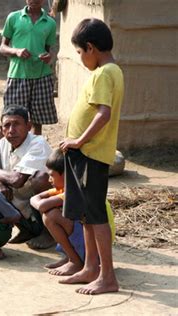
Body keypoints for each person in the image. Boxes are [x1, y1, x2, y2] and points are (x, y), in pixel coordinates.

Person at [59, 18, 123, 295]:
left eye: (79, 53)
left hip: (91, 154)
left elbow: (103, 114)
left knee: (96, 216)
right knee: (86, 214)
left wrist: (79, 140)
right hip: (84, 154)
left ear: (90, 47)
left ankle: (107, 276)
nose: (81, 58)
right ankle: (90, 267)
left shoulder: (103, 74)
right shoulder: (112, 70)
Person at [0, 105, 55, 249]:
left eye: (17, 124)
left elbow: (17, 180)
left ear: (29, 126)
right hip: (22, 202)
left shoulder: (38, 143)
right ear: (1, 129)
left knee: (40, 178)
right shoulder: (4, 143)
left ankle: (50, 232)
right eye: (7, 125)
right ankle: (27, 230)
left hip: (45, 203)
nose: (11, 130)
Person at [0, 0, 57, 136]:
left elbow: (48, 50)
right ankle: (4, 152)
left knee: (38, 121)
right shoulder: (13, 18)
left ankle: (35, 152)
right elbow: (2, 47)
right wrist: (16, 51)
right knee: (11, 118)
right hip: (18, 75)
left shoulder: (50, 23)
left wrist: (48, 57)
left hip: (41, 76)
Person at [30, 148, 85, 276]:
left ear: (65, 175)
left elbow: (41, 204)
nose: (49, 179)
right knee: (50, 214)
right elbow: (34, 198)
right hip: (82, 236)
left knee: (50, 216)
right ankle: (71, 257)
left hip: (92, 243)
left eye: (51, 175)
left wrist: (40, 204)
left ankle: (75, 261)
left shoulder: (73, 191)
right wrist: (39, 203)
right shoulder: (63, 188)